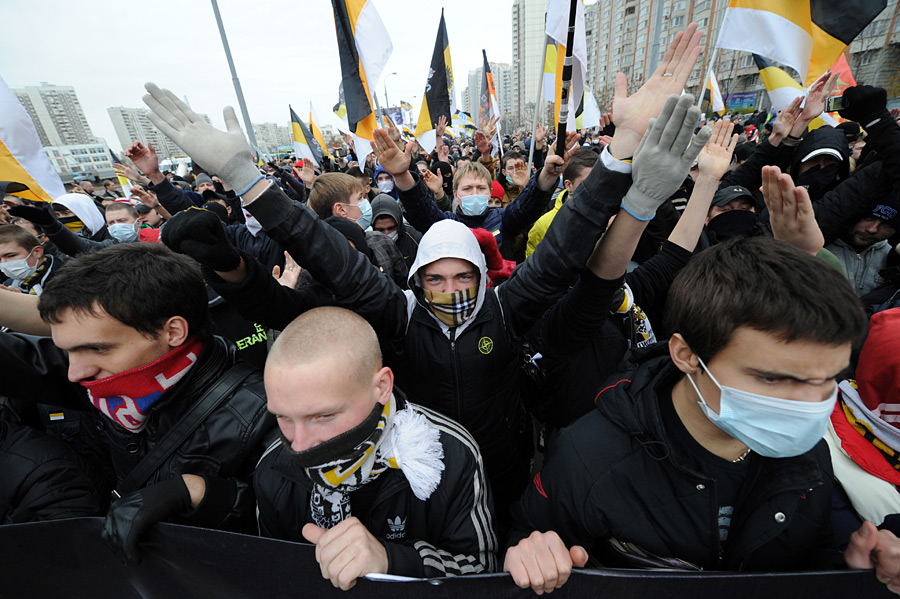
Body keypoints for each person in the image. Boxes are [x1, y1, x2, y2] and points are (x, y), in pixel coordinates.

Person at [505, 236, 900, 595]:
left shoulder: (806, 450)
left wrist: (849, 570)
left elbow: (803, 557)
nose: (805, 405)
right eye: (772, 378)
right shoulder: (589, 459)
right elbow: (532, 541)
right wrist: (530, 556)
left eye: (828, 379)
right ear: (687, 355)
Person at [0, 243, 276, 565]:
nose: (75, 373)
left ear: (173, 331)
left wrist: (202, 493)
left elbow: (288, 525)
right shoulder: (99, 374)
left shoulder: (264, 415)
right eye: (67, 351)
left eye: (98, 349)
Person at [255, 307, 497, 587]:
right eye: (283, 417)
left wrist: (391, 560)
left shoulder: (452, 453)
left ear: (382, 386)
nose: (299, 444)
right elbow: (270, 577)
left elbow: (484, 574)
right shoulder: (273, 470)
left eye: (323, 416)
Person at [825, 196, 900, 296]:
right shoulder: (819, 247)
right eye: (868, 218)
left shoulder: (891, 258)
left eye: (886, 224)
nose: (872, 229)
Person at [0, 224, 59, 295]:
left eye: (11, 256)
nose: (3, 263)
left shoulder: (68, 278)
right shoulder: (8, 284)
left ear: (37, 252)